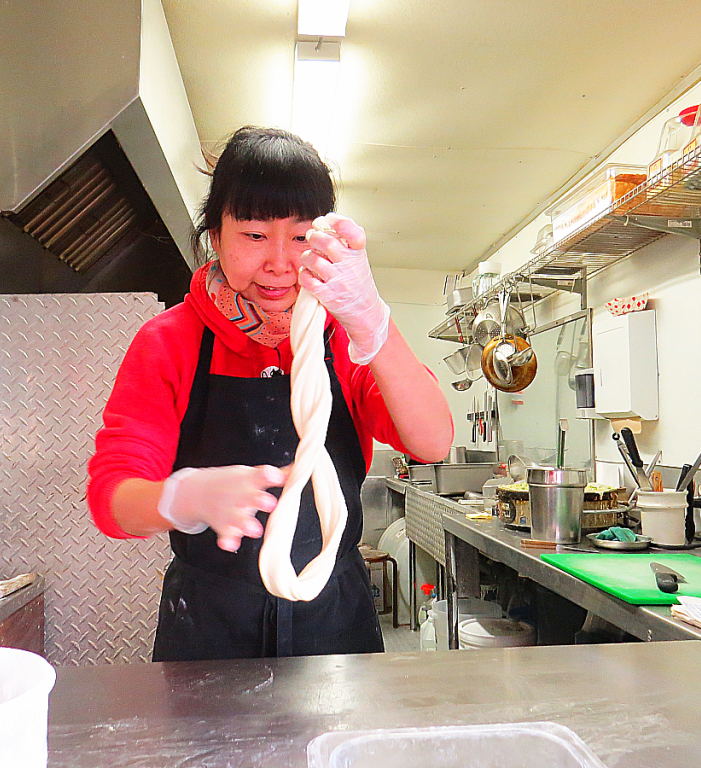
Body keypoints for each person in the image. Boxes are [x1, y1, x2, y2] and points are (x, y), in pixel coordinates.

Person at [88, 126, 453, 661]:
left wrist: (373, 321)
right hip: (210, 625)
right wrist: (180, 498)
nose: (281, 262)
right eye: (255, 236)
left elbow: (433, 442)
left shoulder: (344, 337)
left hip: (334, 621)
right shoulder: (171, 342)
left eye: (301, 237)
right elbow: (112, 499)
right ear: (216, 237)